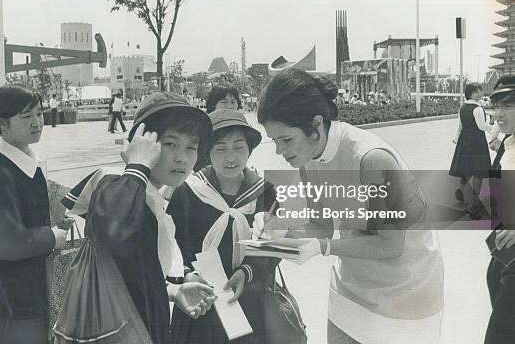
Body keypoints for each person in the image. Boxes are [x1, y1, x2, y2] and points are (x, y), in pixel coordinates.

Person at [257, 69, 444, 344]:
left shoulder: (371, 159)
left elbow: (391, 245)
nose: (280, 151)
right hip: (352, 284)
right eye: (275, 141)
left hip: (406, 289)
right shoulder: (309, 157)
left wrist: (324, 248)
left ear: (316, 124)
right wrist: (279, 230)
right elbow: (320, 227)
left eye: (286, 139)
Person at [60, 92, 215, 344]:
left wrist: (173, 292)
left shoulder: (155, 196)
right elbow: (113, 233)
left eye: (191, 147)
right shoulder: (115, 184)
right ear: (145, 143)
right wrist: (138, 164)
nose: (182, 157)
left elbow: (131, 276)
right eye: (170, 144)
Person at [0, 84, 68, 344]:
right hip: (5, 304)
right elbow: (7, 244)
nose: (37, 123)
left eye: (40, 113)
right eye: (26, 116)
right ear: (2, 124)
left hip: (24, 296)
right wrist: (52, 237)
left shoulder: (25, 164)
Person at [168, 110, 279, 344]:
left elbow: (273, 245)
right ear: (207, 153)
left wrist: (246, 271)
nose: (231, 158)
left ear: (249, 149)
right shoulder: (188, 190)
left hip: (248, 298)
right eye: (220, 149)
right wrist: (187, 273)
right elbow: (172, 243)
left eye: (239, 147)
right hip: (199, 300)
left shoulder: (264, 192)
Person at [484, 74, 515, 344]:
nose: (499, 114)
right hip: (504, 251)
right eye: (497, 106)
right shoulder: (507, 145)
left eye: (508, 106)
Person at [449, 83, 497, 218]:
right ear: (471, 93)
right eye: (478, 91)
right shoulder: (477, 108)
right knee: (478, 171)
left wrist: (456, 139)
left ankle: (460, 189)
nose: (481, 93)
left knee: (468, 168)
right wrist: (495, 129)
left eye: (481, 90)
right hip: (477, 141)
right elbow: (481, 126)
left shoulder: (462, 107)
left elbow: (460, 126)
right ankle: (475, 201)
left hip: (465, 140)